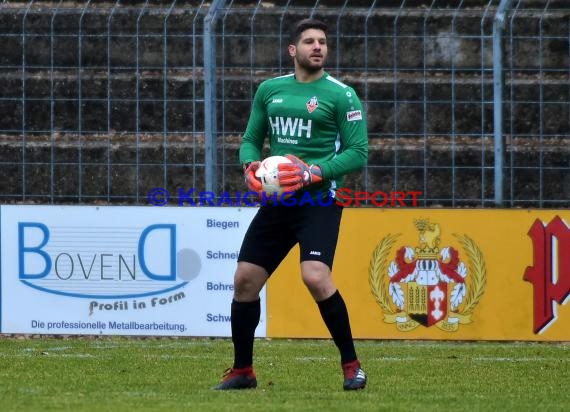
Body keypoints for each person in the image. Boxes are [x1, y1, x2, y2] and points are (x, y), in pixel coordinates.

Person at [213, 18, 368, 391]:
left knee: (315, 276)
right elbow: (251, 140)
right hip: (280, 201)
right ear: (292, 50)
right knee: (244, 280)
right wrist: (249, 165)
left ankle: (352, 366)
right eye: (310, 41)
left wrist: (315, 172)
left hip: (318, 200)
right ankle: (242, 372)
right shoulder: (270, 90)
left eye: (323, 42)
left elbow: (358, 153)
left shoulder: (341, 95)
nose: (318, 47)